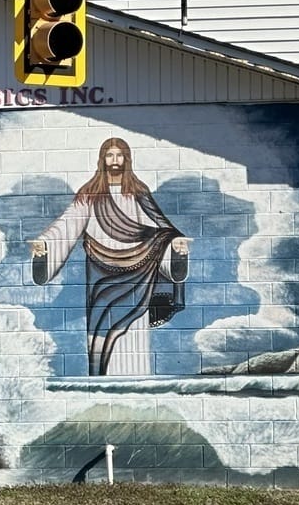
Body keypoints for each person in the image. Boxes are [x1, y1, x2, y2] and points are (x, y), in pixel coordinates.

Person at [29, 136, 190, 375]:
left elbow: (160, 230)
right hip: (100, 278)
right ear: (102, 159)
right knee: (100, 335)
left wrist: (175, 246)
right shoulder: (89, 195)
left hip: (139, 276)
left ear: (127, 159)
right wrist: (44, 246)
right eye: (110, 155)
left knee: (133, 335)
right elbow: (66, 226)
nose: (115, 161)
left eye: (119, 155)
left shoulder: (137, 193)